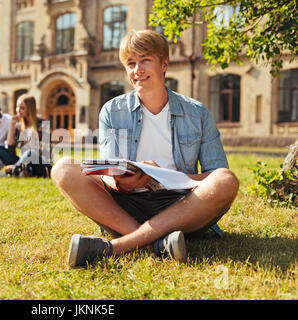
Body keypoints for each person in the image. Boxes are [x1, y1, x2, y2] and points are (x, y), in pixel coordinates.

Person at [51, 30, 239, 267]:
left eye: (145, 60)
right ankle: (157, 245)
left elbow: (215, 173)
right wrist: (120, 183)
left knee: (226, 180)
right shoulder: (112, 110)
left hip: (181, 205)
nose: (137, 70)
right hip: (126, 204)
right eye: (131, 63)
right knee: (62, 168)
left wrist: (171, 178)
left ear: (164, 64)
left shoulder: (197, 112)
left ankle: (116, 247)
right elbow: (109, 169)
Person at [1, 94, 51, 177]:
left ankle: (13, 172)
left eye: (22, 108)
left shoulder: (43, 124)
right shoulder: (20, 126)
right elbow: (10, 147)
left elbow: (46, 152)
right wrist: (12, 126)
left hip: (41, 164)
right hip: (24, 162)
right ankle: (21, 171)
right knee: (0, 150)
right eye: (17, 107)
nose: (18, 110)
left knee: (30, 153)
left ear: (30, 109)